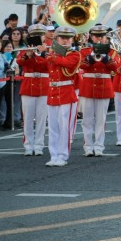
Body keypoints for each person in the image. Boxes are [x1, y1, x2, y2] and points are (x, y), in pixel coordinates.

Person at [79, 24, 119, 157]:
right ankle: (88, 147)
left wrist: (106, 58)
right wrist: (91, 57)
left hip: (104, 86)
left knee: (101, 120)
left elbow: (116, 68)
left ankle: (99, 146)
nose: (99, 39)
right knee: (87, 119)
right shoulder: (85, 51)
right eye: (96, 36)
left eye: (101, 36)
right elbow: (81, 66)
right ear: (91, 37)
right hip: (88, 86)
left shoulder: (112, 51)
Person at [45, 26, 82, 167]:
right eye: (62, 38)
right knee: (53, 126)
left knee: (64, 126)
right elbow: (43, 66)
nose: (65, 40)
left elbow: (67, 63)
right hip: (52, 92)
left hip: (66, 91)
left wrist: (52, 55)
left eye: (68, 38)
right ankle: (53, 155)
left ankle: (63, 155)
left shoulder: (74, 54)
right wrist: (33, 55)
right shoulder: (52, 54)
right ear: (57, 39)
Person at [17, 24, 49, 155]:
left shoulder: (49, 50)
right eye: (35, 35)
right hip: (28, 86)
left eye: (40, 34)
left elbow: (49, 65)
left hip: (43, 86)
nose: (38, 37)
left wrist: (41, 53)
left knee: (42, 118)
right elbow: (20, 62)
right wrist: (29, 55)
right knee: (28, 118)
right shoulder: (25, 50)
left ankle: (39, 145)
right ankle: (28, 146)